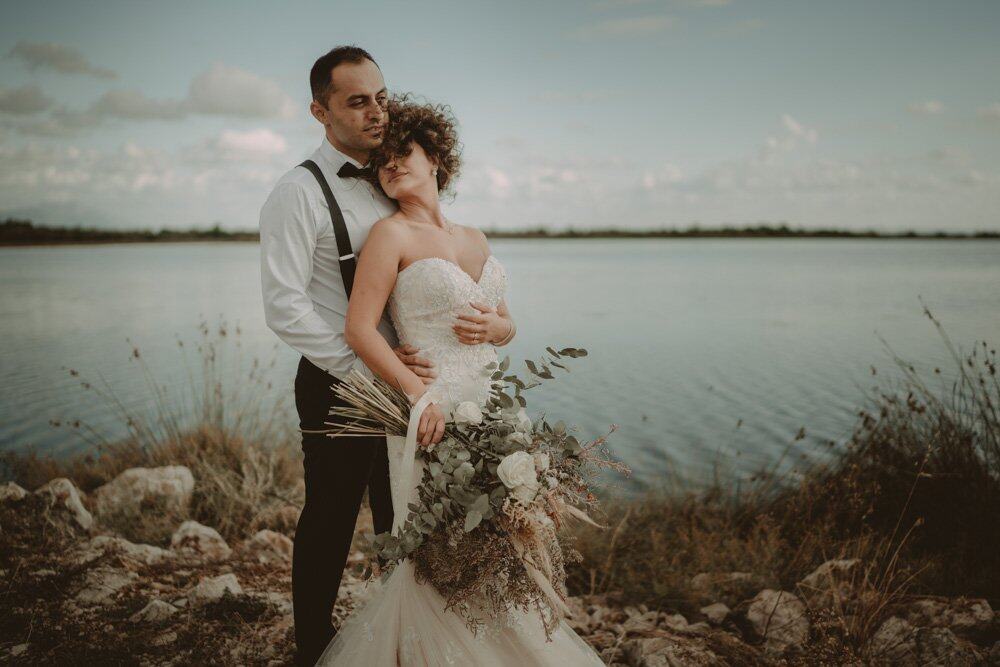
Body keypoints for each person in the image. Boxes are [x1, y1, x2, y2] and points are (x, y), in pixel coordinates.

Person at [316, 96, 605, 666]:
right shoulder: (388, 236)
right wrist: (414, 393)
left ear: (436, 157)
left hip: (494, 409)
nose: (391, 165)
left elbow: (503, 321)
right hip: (431, 413)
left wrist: (502, 326)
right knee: (434, 548)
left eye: (404, 152)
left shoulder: (476, 238)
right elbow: (358, 329)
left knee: (491, 543)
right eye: (383, 161)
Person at [258, 46, 437, 667]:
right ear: (320, 110)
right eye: (357, 101)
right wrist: (361, 370)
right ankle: (311, 647)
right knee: (331, 518)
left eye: (381, 98)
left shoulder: (396, 179)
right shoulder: (295, 193)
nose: (376, 112)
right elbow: (284, 306)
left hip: (408, 379)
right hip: (338, 380)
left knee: (401, 514)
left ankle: (398, 637)